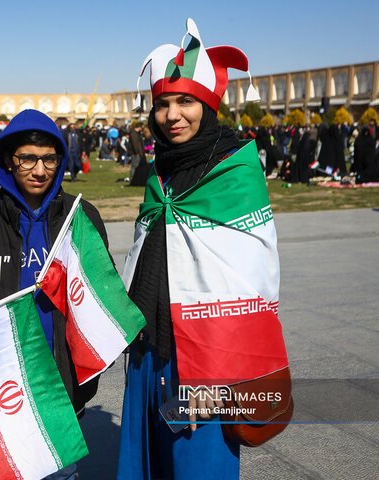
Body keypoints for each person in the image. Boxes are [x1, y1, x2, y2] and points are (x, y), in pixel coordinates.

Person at [119, 19, 287, 479]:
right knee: (146, 468)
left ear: (209, 105)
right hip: (150, 354)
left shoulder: (235, 173)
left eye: (186, 101)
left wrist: (217, 375)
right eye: (163, 104)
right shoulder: (160, 176)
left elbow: (255, 283)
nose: (172, 115)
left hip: (206, 367)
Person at [0, 109, 109, 480]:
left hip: (59, 375)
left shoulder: (81, 216)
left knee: (59, 472)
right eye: (27, 159)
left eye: (49, 159)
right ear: (8, 159)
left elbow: (103, 293)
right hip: (3, 373)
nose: (39, 171)